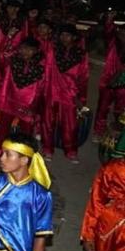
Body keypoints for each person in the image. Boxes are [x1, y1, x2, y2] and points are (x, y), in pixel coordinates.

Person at [0, 37, 47, 165]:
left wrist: (36, 107)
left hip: (28, 106)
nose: (25, 52)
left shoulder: (42, 67)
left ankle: (23, 158)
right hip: (10, 102)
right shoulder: (12, 62)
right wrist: (8, 39)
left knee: (26, 134)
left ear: (36, 51)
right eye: (23, 48)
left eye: (30, 49)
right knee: (2, 130)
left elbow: (42, 89)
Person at [81, 146, 125, 251]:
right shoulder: (113, 169)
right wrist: (88, 234)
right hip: (110, 230)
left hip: (112, 227)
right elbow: (96, 201)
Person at [42, 25, 88, 162]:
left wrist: (81, 100)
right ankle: (47, 149)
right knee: (48, 122)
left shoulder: (81, 54)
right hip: (52, 92)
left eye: (67, 35)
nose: (64, 37)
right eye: (62, 34)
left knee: (70, 125)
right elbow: (46, 70)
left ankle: (71, 151)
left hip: (70, 94)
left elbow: (83, 77)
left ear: (74, 37)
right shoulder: (53, 50)